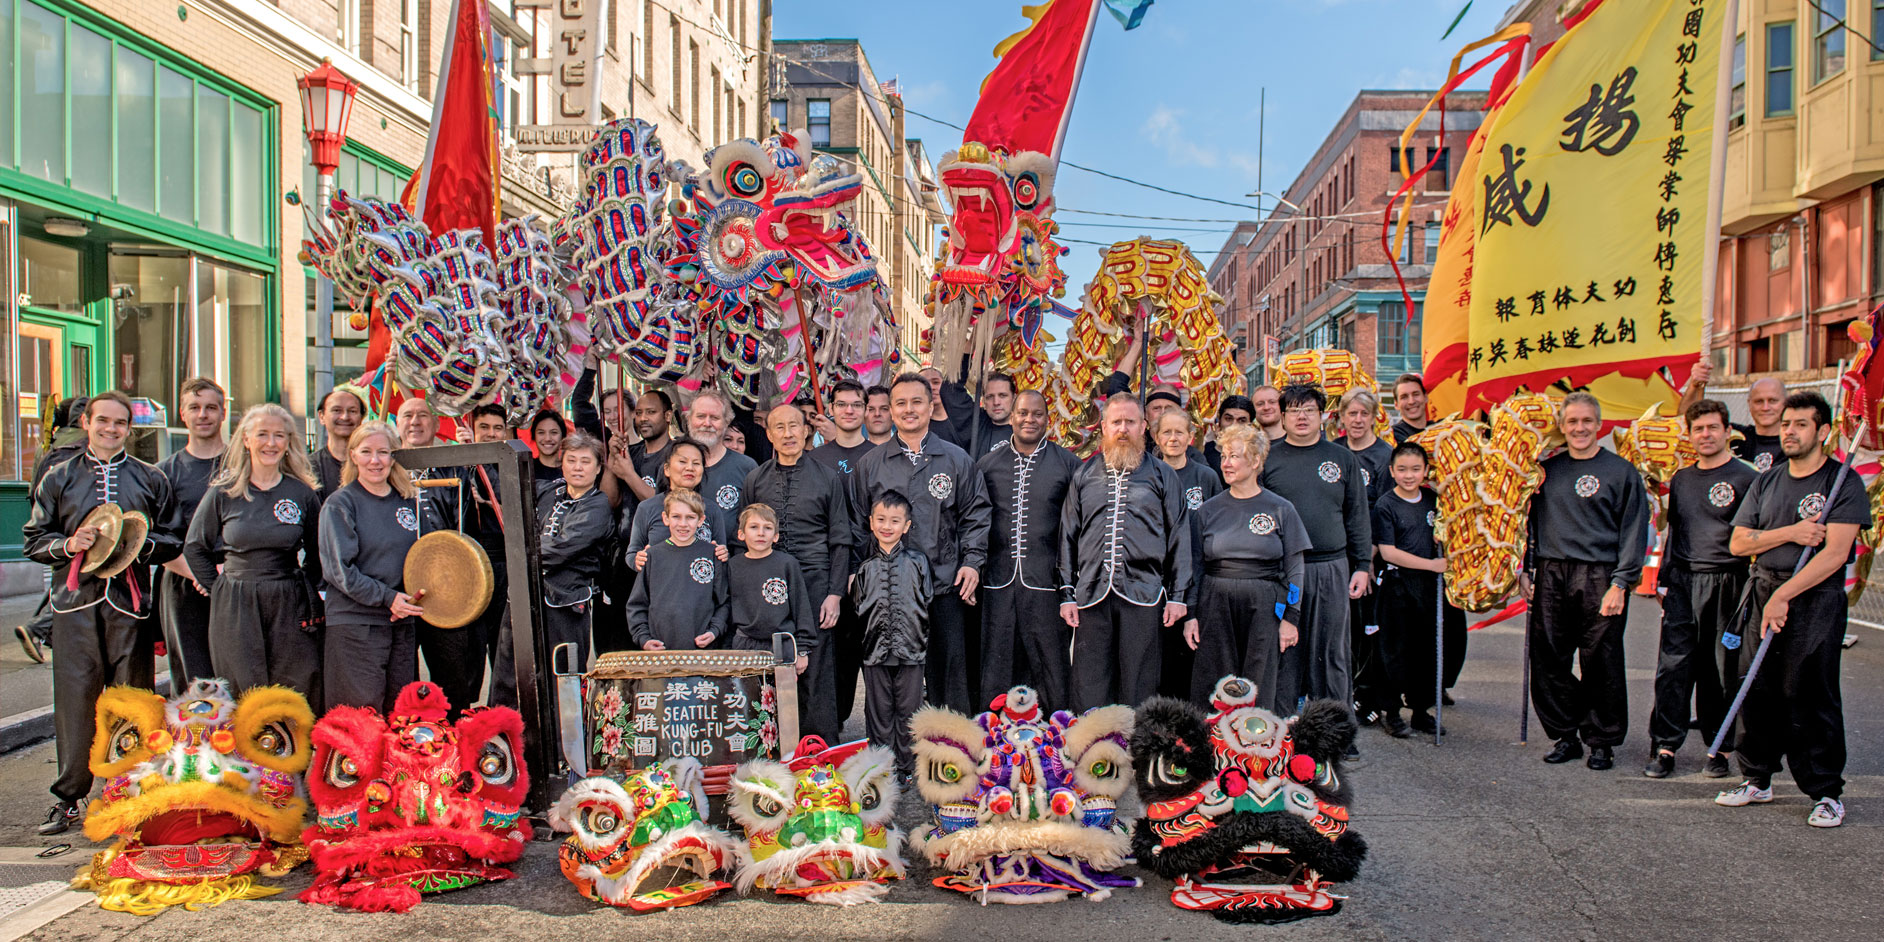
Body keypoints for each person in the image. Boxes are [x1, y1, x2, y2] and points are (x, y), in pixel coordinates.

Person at [24, 391, 181, 835]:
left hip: (129, 606)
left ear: (129, 429)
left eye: (120, 423)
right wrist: (68, 545)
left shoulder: (149, 478)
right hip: (74, 605)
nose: (111, 430)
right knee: (76, 703)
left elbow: (173, 538)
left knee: (134, 700)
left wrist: (137, 543)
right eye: (103, 421)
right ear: (87, 424)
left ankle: (134, 792)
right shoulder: (58, 477)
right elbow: (35, 539)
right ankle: (70, 797)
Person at [1717, 391, 1869, 828]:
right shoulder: (1767, 480)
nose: (1789, 430)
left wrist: (1786, 596)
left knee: (1808, 691)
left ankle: (1825, 791)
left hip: (1814, 600)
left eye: (1801, 423)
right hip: (1763, 589)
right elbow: (1740, 542)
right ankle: (1757, 777)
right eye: (1786, 423)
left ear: (1822, 432)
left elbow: (1835, 553)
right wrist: (1791, 532)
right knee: (1755, 686)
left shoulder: (1842, 482)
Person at [1521, 391, 1648, 772]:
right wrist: (1525, 569)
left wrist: (1621, 583)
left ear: (1599, 424)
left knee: (1601, 660)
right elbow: (1528, 524)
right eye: (1572, 421)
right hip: (1552, 571)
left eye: (1586, 421)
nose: (1579, 428)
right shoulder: (1545, 470)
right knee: (1548, 659)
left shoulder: (1621, 472)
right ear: (1562, 425)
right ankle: (1566, 734)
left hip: (1600, 574)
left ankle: (1601, 740)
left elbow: (1633, 531)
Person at [854, 373, 990, 712]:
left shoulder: (957, 460)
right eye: (900, 403)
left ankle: (953, 750)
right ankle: (899, 752)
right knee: (896, 678)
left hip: (945, 584)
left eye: (917, 401)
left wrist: (972, 562)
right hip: (889, 590)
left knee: (949, 675)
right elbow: (857, 524)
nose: (909, 409)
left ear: (931, 406)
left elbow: (976, 514)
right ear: (890, 411)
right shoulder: (871, 464)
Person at [1645, 399, 1758, 779]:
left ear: (1728, 431)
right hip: (1682, 581)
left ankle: (1720, 747)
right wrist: (1663, 577)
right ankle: (1664, 746)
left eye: (1713, 427)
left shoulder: (1748, 477)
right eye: (1698, 429)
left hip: (1729, 581)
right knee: (1673, 668)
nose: (1706, 435)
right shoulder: (1681, 479)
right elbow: (1674, 531)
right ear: (1689, 435)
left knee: (1719, 669)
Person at [1058, 395, 1192, 711]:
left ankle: (1138, 751)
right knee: (1090, 682)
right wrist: (1066, 593)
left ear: (1143, 427)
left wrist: (1178, 595)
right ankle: (1093, 751)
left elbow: (1180, 537)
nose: (1122, 429)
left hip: (1144, 593)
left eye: (1129, 422)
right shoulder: (1084, 475)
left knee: (1140, 682)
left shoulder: (1162, 475)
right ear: (1103, 427)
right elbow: (1067, 536)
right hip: (1091, 593)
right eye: (1116, 422)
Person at [184, 402, 324, 700]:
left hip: (288, 597)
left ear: (288, 443)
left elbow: (318, 552)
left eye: (279, 435)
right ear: (246, 439)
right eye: (262, 434)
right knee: (241, 685)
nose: (270, 443)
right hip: (235, 601)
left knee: (294, 682)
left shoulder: (302, 494)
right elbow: (195, 547)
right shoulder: (223, 492)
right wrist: (219, 588)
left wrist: (304, 589)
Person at [1260, 384, 1371, 743]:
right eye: (1293, 410)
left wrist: (1362, 564)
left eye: (1309, 409)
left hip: (1331, 567)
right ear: (1283, 416)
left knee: (1331, 652)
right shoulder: (1268, 457)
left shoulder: (1341, 459)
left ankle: (1336, 731)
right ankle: (1283, 730)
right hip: (1283, 570)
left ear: (1323, 415)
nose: (1302, 416)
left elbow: (1357, 516)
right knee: (1284, 651)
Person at [744, 405, 853, 741]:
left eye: (795, 426)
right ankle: (770, 744)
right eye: (780, 427)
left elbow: (841, 539)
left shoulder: (826, 477)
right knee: (768, 663)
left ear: (807, 430)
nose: (788, 434)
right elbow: (744, 538)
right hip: (767, 584)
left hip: (816, 582)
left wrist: (835, 594)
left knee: (817, 666)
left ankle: (819, 746)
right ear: (770, 434)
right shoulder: (756, 479)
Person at [1184, 425, 1308, 712]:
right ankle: (1215, 748)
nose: (1226, 463)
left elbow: (1295, 567)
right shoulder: (1207, 511)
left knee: (1260, 677)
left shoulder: (1281, 508)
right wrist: (1191, 614)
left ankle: (1257, 750)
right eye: (1224, 456)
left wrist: (1291, 616)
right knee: (1216, 680)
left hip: (1265, 602)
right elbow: (1196, 568)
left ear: (1255, 461)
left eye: (1235, 456)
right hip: (1215, 601)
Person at [975, 390, 1081, 713]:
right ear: (1011, 417)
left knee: (1051, 667)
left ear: (1048, 420)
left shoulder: (1068, 464)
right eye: (1022, 413)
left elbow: (1077, 527)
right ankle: (994, 741)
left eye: (1037, 414)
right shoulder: (987, 465)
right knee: (996, 664)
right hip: (997, 583)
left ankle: (1054, 740)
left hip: (1047, 584)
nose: (1029, 420)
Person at [493, 432, 614, 709]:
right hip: (526, 597)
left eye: (586, 461)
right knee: (512, 672)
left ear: (598, 468)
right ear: (562, 464)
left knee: (562, 677)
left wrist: (520, 554)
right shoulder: (550, 490)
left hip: (565, 603)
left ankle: (563, 749)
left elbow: (561, 548)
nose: (578, 467)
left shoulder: (597, 506)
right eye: (572, 460)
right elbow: (506, 486)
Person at [318, 422, 425, 713]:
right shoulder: (340, 504)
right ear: (353, 455)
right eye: (366, 452)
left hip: (400, 624)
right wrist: (387, 598)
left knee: (399, 715)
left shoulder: (408, 502)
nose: (375, 460)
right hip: (357, 625)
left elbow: (427, 555)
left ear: (395, 456)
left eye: (383, 452)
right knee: (361, 717)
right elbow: (340, 571)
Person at [1372, 441, 1461, 737]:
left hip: (1428, 588)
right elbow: (1388, 552)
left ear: (1425, 471)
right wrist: (1430, 564)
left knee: (1427, 649)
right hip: (1398, 587)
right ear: (1392, 471)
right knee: (1396, 650)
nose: (1409, 475)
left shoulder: (1433, 500)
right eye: (1402, 469)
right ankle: (1392, 711)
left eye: (1415, 469)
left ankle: (1422, 711)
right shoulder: (1386, 504)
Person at [851, 490, 934, 777]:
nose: (888, 526)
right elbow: (858, 606)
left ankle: (908, 766)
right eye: (881, 520)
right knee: (878, 711)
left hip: (912, 649)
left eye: (895, 521)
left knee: (909, 709)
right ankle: (881, 767)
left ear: (907, 526)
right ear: (871, 523)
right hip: (874, 650)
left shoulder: (918, 562)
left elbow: (927, 599)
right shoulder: (865, 568)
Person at [156, 377, 228, 685]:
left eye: (211, 407)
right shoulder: (162, 473)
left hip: (234, 581)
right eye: (194, 407)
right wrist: (199, 574)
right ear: (182, 414)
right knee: (192, 677)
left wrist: (223, 573)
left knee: (237, 672)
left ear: (223, 413)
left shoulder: (244, 465)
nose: (203, 415)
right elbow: (156, 540)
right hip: (184, 585)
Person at [16, 395, 90, 664]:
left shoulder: (49, 443)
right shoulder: (84, 444)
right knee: (76, 581)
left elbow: (33, 488)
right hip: (77, 526)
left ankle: (41, 629)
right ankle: (39, 627)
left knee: (64, 579)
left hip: (48, 527)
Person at [1153, 408, 1219, 699]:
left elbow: (1218, 522)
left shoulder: (1204, 476)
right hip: (1156, 578)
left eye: (1180, 432)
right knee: (1159, 652)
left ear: (1192, 437)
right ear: (1156, 436)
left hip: (1196, 577)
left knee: (1191, 648)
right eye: (1166, 431)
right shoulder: (1148, 472)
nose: (1173, 438)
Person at [1340, 388, 1392, 726]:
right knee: (1341, 630)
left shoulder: (1385, 456)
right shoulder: (1335, 451)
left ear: (1374, 417)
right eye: (1352, 414)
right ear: (1341, 416)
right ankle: (1343, 693)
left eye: (1364, 414)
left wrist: (1367, 557)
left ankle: (1368, 695)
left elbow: (1386, 511)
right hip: (1336, 554)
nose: (1358, 420)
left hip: (1369, 557)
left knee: (1367, 629)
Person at [627, 489, 729, 650]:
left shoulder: (712, 554)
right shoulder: (652, 556)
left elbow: (723, 602)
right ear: (665, 519)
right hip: (660, 653)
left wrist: (714, 631)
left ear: (701, 520)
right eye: (676, 517)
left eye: (690, 517)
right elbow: (637, 604)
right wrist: (643, 638)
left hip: (703, 652)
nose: (683, 524)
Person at [724, 504, 816, 676]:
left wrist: (802, 649)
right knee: (746, 699)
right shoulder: (733, 566)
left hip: (781, 645)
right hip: (744, 644)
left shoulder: (787, 564)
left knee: (783, 700)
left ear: (775, 536)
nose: (761, 533)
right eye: (754, 527)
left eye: (767, 528)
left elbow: (801, 607)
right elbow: (727, 607)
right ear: (741, 534)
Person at [681, 390, 760, 551]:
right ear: (689, 419)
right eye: (701, 416)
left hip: (732, 563)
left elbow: (757, 518)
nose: (707, 423)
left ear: (726, 423)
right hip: (681, 563)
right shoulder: (674, 464)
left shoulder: (747, 467)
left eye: (715, 418)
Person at [1678, 359, 1786, 471]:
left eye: (1773, 401)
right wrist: (1694, 385)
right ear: (1749, 404)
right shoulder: (1733, 436)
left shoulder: (1793, 443)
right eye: (1759, 401)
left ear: (1785, 403)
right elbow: (1687, 421)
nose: (1765, 407)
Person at [938, 369, 1015, 457]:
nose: (996, 402)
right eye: (990, 397)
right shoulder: (976, 422)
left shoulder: (1026, 426)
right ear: (984, 400)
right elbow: (950, 390)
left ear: (1014, 397)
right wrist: (965, 356)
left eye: (1002, 395)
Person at [312, 386, 365, 502]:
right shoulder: (309, 468)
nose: (345, 417)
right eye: (337, 410)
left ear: (361, 418)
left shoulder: (373, 465)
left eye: (352, 411)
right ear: (321, 416)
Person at [627, 389, 677, 501]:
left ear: (668, 416)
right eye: (639, 413)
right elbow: (611, 500)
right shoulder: (630, 454)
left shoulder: (677, 455)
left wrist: (628, 474)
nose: (643, 418)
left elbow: (666, 504)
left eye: (651, 412)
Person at [1202, 394, 1255, 483]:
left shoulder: (1257, 456)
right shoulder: (1204, 453)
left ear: (1251, 426)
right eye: (1228, 419)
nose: (1234, 425)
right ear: (1219, 422)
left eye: (1242, 421)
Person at [527, 409, 569, 484]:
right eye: (541, 433)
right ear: (534, 436)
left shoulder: (572, 469)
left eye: (554, 433)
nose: (547, 438)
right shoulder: (526, 470)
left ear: (563, 436)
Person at [1390, 373, 1431, 443]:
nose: (1411, 401)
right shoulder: (1392, 437)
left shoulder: (1440, 428)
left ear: (1425, 397)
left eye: (1415, 394)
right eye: (1404, 397)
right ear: (1396, 404)